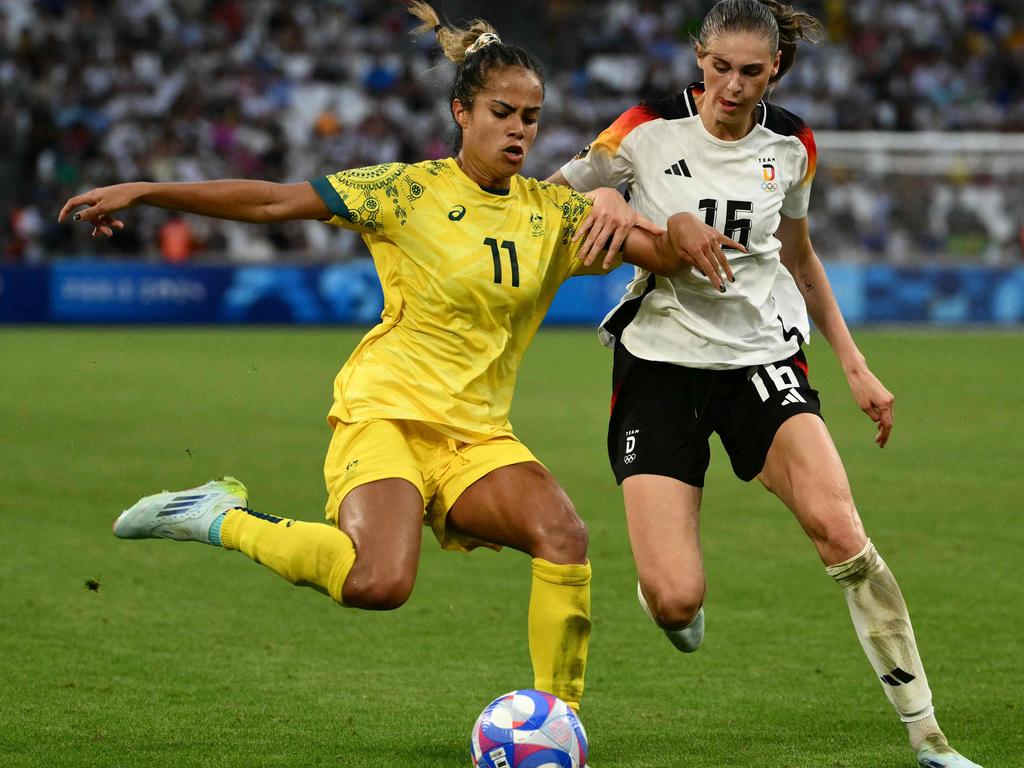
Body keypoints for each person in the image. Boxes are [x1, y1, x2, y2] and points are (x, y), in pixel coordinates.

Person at [58, 2, 693, 717]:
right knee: (377, 584)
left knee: (564, 535)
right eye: (502, 112)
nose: (519, 129)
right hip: (385, 413)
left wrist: (637, 207)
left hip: (477, 435)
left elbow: (668, 255)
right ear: (462, 111)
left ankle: (557, 723)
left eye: (532, 117)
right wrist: (148, 190)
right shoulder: (403, 191)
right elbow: (273, 202)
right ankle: (215, 516)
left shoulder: (555, 215)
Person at [548, 1, 983, 766]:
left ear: (774, 68)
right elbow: (547, 199)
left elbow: (801, 254)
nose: (733, 86)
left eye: (752, 71)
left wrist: (853, 363)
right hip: (659, 366)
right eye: (720, 68)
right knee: (677, 599)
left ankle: (929, 737)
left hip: (762, 360)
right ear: (699, 58)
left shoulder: (793, 143)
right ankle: (668, 596)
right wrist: (607, 198)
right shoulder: (642, 130)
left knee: (843, 534)